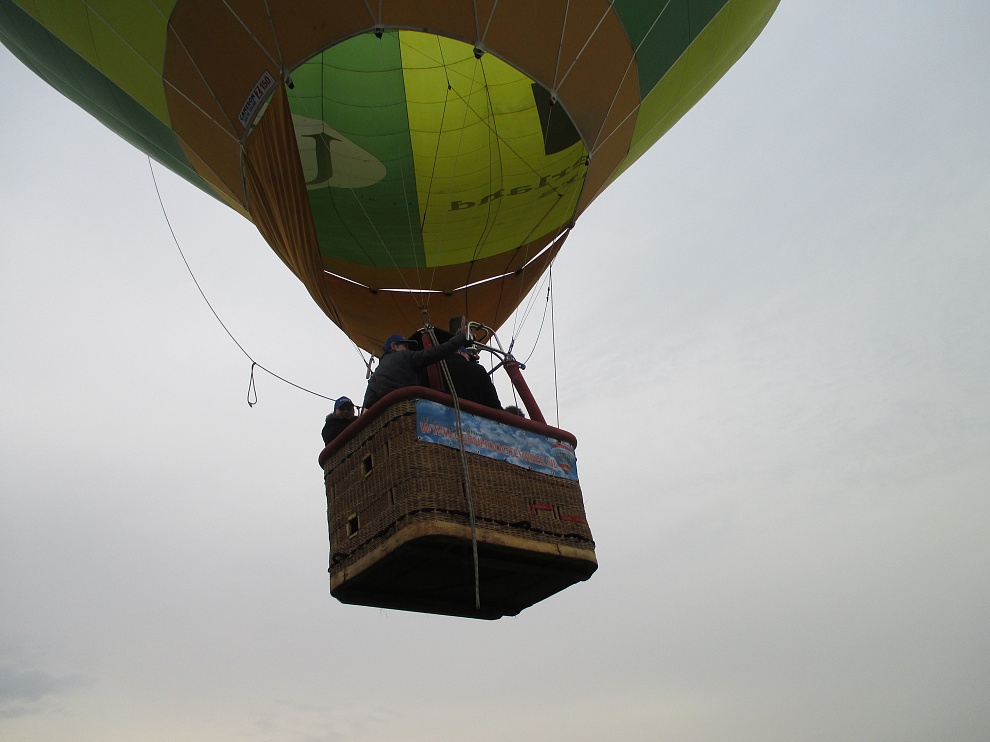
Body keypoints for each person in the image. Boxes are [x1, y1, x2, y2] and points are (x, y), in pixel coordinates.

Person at [363, 329, 467, 409]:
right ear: (394, 346)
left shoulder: (375, 375)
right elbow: (434, 353)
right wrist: (461, 337)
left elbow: (368, 402)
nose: (407, 349)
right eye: (405, 346)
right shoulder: (404, 356)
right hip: (409, 411)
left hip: (390, 422)